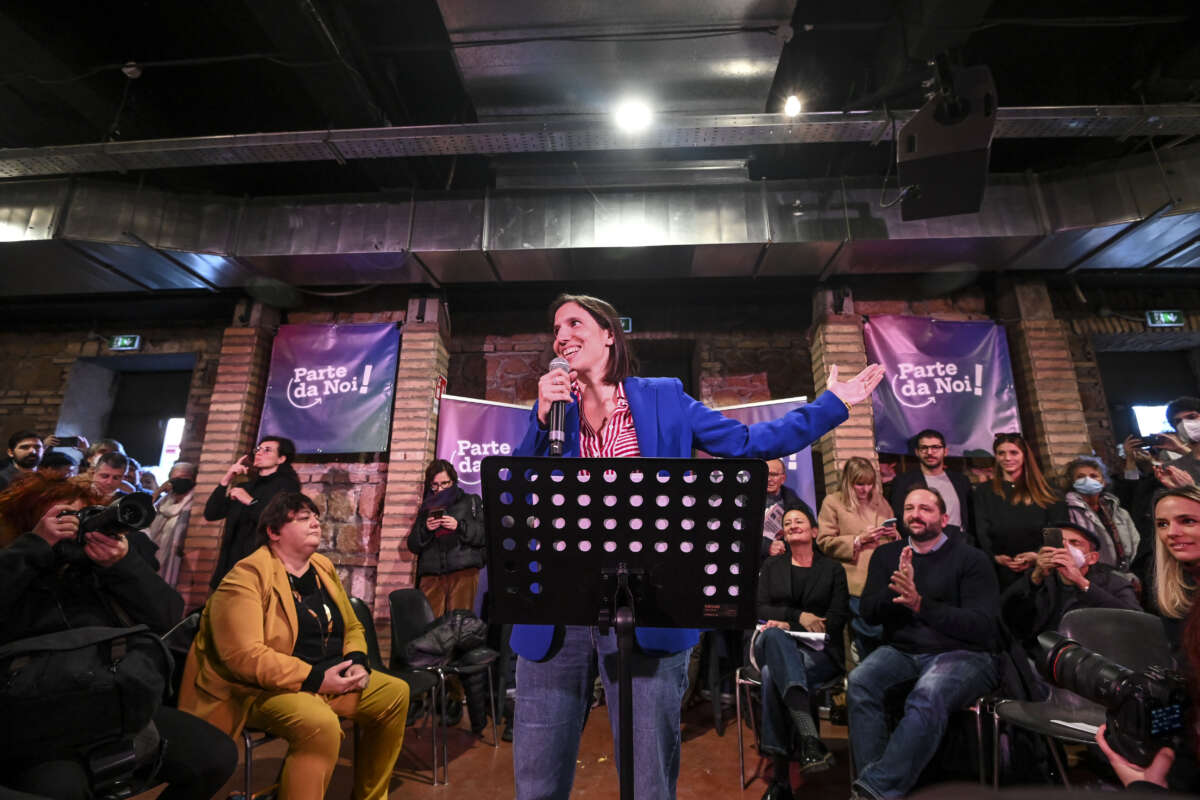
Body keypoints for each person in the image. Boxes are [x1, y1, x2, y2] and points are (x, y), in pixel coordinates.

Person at [510, 293, 884, 800]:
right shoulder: (553, 411)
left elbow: (750, 443)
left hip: (644, 605)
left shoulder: (663, 398)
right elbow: (520, 487)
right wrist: (540, 418)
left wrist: (832, 404)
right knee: (537, 781)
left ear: (608, 334)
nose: (561, 337)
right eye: (555, 329)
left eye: (574, 323)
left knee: (647, 780)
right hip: (557, 609)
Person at [0, 474, 237, 800]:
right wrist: (35, 547)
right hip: (38, 715)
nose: (75, 525)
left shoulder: (98, 566)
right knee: (63, 788)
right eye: (63, 517)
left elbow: (167, 616)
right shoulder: (15, 559)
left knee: (215, 756)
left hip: (113, 701)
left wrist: (123, 565)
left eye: (82, 516)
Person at [179, 492, 409, 800]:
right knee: (320, 724)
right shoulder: (246, 576)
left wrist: (357, 661)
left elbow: (353, 626)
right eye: (303, 518)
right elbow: (244, 657)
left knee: (395, 693)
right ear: (274, 532)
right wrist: (316, 679)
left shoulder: (322, 567)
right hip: (258, 689)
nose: (315, 523)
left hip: (324, 677)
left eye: (315, 517)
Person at [847, 487, 1001, 800]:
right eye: (909, 508)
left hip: (963, 653)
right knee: (860, 681)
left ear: (944, 519)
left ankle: (872, 791)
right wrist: (897, 590)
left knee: (928, 694)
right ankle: (877, 784)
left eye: (925, 509)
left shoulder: (971, 559)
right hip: (903, 651)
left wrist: (921, 604)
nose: (915, 514)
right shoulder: (886, 555)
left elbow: (982, 626)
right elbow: (868, 612)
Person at [754, 504, 849, 799]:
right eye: (788, 523)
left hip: (818, 650)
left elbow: (837, 618)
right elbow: (759, 608)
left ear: (814, 531)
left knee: (771, 675)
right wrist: (797, 618)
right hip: (773, 641)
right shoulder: (773, 566)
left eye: (799, 521)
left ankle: (780, 780)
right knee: (774, 635)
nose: (793, 525)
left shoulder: (832, 570)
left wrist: (794, 625)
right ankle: (809, 736)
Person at [1000, 519, 1140, 661]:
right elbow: (1006, 616)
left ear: (1092, 558)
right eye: (1060, 542)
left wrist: (1082, 583)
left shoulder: (1114, 583)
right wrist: (1035, 578)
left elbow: (1136, 624)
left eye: (1074, 543)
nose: (1065, 548)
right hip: (1038, 658)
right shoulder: (1042, 576)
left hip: (1090, 660)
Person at [815, 456, 897, 662]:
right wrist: (859, 539)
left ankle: (873, 668)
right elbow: (824, 541)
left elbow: (894, 535)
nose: (865, 489)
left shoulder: (880, 502)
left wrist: (895, 535)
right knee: (870, 630)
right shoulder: (833, 502)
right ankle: (867, 666)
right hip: (856, 579)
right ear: (848, 482)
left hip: (884, 577)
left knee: (885, 629)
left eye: (869, 484)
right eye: (860, 484)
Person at [204, 435, 301, 589]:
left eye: (267, 450)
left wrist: (250, 502)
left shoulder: (288, 487)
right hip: (229, 567)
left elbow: (277, 521)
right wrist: (226, 480)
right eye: (258, 449)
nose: (259, 453)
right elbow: (211, 513)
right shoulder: (245, 487)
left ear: (281, 459)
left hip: (260, 570)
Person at [972, 432, 1066, 589]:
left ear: (1025, 455)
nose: (1007, 458)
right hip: (1000, 573)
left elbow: (1058, 530)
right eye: (1001, 453)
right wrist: (994, 557)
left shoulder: (1049, 490)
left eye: (1014, 452)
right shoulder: (984, 491)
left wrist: (1038, 556)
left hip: (1043, 570)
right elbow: (981, 530)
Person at [406, 458, 486, 616]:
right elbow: (413, 544)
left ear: (453, 481)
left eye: (444, 483)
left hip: (463, 571)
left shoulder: (470, 501)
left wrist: (459, 526)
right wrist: (427, 529)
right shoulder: (427, 506)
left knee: (459, 622)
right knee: (431, 623)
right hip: (432, 575)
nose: (440, 489)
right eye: (435, 485)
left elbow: (483, 534)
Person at [888, 429, 973, 543]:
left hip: (959, 543)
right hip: (923, 544)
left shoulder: (961, 480)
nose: (929, 452)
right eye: (924, 448)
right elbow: (900, 518)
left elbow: (970, 517)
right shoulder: (903, 482)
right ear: (917, 452)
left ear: (945, 451)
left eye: (935, 447)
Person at [1063, 456, 1140, 583]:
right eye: (1080, 477)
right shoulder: (1067, 511)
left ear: (1103, 481)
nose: (1087, 480)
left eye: (1093, 476)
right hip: (1092, 578)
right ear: (1072, 482)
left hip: (1126, 576)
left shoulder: (1118, 511)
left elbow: (1135, 542)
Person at [147, 462, 197, 586]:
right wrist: (159, 490)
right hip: (154, 556)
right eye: (175, 479)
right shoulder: (164, 501)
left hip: (176, 562)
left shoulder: (193, 504)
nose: (179, 482)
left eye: (184, 478)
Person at [761, 458, 803, 561]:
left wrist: (784, 543)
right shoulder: (746, 499)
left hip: (785, 559)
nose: (769, 479)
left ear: (783, 478)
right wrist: (767, 547)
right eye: (765, 474)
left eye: (774, 474)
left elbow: (806, 532)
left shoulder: (793, 500)